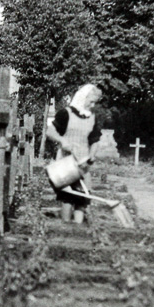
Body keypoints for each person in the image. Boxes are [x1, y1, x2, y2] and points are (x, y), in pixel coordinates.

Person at [46, 84, 103, 224]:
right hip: (66, 162)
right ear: (83, 97)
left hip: (83, 163)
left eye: (95, 102)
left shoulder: (92, 118)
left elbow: (94, 139)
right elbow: (50, 132)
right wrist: (62, 140)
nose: (93, 105)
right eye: (91, 101)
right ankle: (66, 227)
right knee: (68, 196)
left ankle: (78, 229)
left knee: (82, 198)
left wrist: (92, 154)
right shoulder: (66, 113)